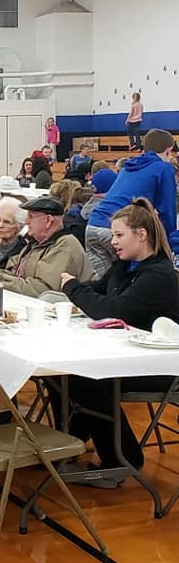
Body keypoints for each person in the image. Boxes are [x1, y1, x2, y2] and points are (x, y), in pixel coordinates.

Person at [58, 198, 179, 476]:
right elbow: (98, 289)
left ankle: (121, 460)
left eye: (118, 235)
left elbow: (112, 312)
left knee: (85, 378)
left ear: (142, 235)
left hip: (159, 365)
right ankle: (67, 441)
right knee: (61, 373)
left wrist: (73, 288)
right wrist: (78, 289)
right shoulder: (124, 267)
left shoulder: (158, 276)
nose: (113, 241)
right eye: (113, 234)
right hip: (125, 354)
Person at [85, 128, 176, 277]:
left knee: (104, 284)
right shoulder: (163, 168)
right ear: (168, 150)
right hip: (119, 229)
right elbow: (167, 211)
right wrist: (168, 245)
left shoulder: (128, 166)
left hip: (93, 225)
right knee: (133, 282)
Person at [0, 196, 92, 296]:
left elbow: (42, 289)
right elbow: (14, 272)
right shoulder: (36, 243)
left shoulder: (64, 246)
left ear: (48, 220)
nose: (27, 222)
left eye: (31, 217)